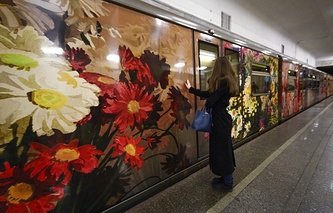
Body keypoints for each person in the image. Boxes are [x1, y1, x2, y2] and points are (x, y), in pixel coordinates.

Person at [185, 56, 238, 192]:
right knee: (219, 149)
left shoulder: (224, 82)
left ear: (218, 68)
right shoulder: (224, 82)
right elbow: (208, 94)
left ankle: (228, 181)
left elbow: (211, 100)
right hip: (219, 119)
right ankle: (223, 176)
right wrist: (191, 89)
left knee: (222, 150)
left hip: (220, 120)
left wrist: (209, 99)